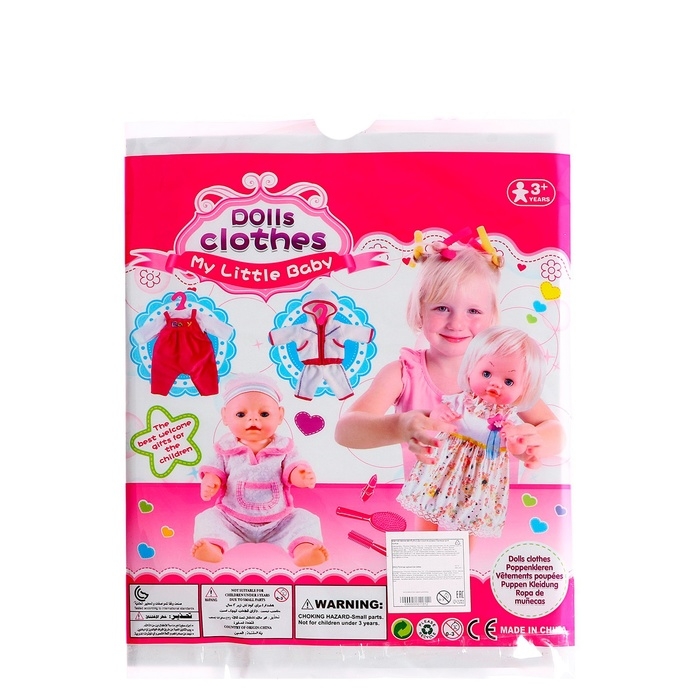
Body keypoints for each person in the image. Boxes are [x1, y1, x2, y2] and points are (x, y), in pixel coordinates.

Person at [334, 228, 564, 530]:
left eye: (473, 311)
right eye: (442, 308)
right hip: (427, 503)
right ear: (420, 311)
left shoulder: (505, 374)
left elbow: (555, 430)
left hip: (485, 508)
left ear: (492, 317)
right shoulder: (404, 372)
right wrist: (400, 426)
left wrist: (536, 441)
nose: (456, 323)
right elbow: (346, 431)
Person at [397, 326, 546, 535]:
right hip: (444, 467)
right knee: (428, 504)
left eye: (509, 381)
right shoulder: (461, 402)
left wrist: (523, 451)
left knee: (469, 520)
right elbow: (434, 418)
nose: (495, 383)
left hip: (480, 479)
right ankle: (424, 543)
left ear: (524, 390)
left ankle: (462, 553)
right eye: (486, 373)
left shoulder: (509, 422)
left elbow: (515, 449)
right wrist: (439, 414)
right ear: (470, 370)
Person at [192, 374, 329, 566]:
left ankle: (304, 550)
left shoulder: (284, 447)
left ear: (280, 415)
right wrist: (211, 481)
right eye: (241, 414)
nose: (253, 419)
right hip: (232, 519)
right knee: (207, 518)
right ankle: (214, 547)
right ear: (225, 416)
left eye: (264, 414)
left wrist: (301, 475)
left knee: (306, 519)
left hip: (279, 521)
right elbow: (214, 471)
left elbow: (292, 470)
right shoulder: (225, 448)